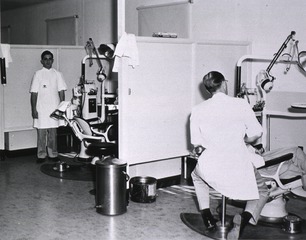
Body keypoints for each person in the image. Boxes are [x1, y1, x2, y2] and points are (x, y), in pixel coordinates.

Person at [190, 71, 269, 239]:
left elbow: (197, 144)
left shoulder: (197, 110)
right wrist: (244, 140)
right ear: (224, 84)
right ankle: (243, 220)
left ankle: (207, 216)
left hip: (210, 166)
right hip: (237, 165)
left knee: (196, 176)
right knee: (261, 190)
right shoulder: (240, 104)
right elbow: (257, 133)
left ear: (208, 89)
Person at [30, 50, 67, 163]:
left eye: (50, 58)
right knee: (41, 133)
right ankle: (41, 155)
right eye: (45, 59)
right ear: (42, 61)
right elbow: (34, 93)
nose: (47, 61)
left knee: (52, 134)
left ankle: (53, 154)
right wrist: (34, 110)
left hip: (54, 108)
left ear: (52, 60)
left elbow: (61, 92)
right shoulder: (38, 74)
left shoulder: (57, 74)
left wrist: (62, 108)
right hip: (41, 108)